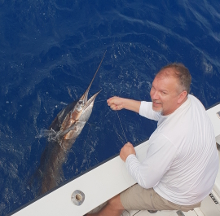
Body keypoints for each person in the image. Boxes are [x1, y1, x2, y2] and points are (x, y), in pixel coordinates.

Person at [86, 63, 219, 216]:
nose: (154, 95)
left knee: (115, 201)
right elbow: (159, 110)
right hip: (204, 180)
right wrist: (124, 103)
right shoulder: (192, 102)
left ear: (181, 95)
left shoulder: (167, 138)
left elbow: (145, 180)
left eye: (163, 92)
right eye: (154, 87)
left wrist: (129, 156)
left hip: (183, 197)